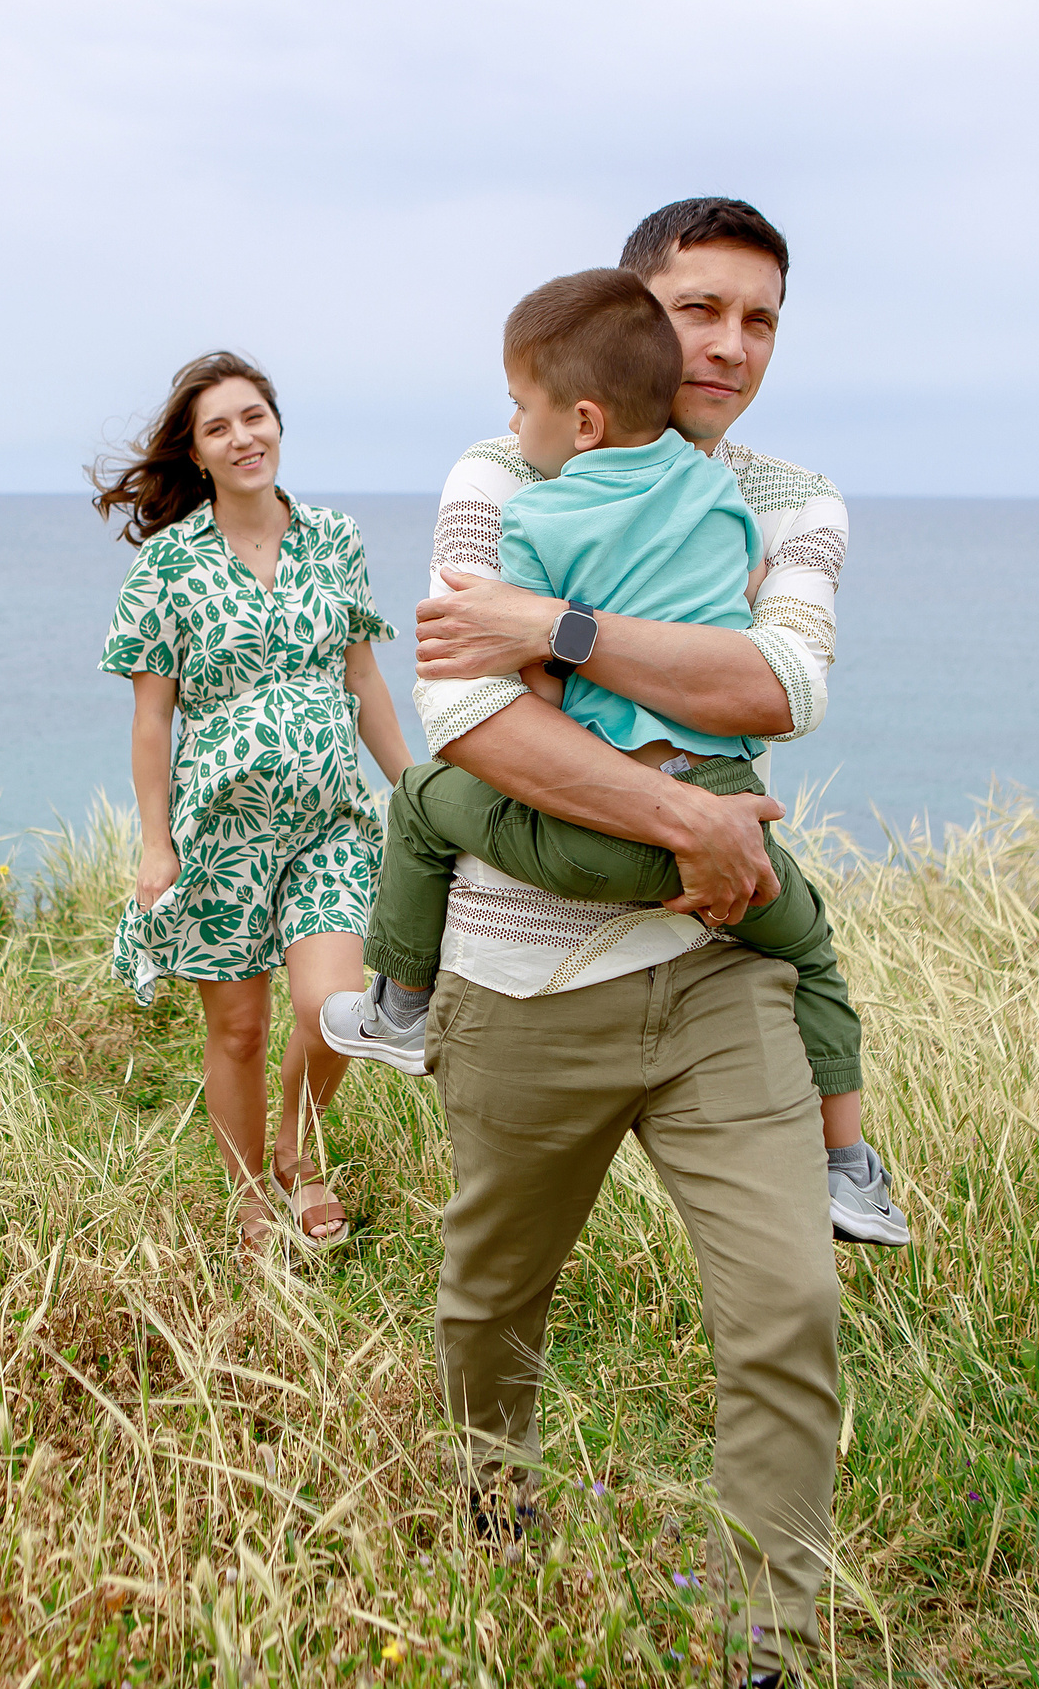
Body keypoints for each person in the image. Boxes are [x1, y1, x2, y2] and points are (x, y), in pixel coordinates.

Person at [396, 199, 852, 1684]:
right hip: (523, 979)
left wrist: (562, 629)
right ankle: (491, 1515)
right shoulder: (505, 461)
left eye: (760, 317)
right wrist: (692, 819)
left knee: (787, 1308)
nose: (727, 344)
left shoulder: (796, 499)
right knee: (490, 1300)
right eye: (698, 308)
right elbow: (467, 715)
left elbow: (778, 686)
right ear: (632, 319)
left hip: (719, 978)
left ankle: (767, 1649)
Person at [319, 267, 907, 1248]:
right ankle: (849, 1167)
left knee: (421, 797)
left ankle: (400, 1003)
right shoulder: (724, 496)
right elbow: (755, 637)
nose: (513, 429)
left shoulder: (537, 516)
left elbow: (511, 693)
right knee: (810, 951)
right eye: (700, 314)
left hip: (595, 828)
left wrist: (551, 649)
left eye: (522, 407)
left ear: (582, 421)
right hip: (725, 808)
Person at [93, 351, 415, 1259]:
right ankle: (247, 1195)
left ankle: (297, 1153)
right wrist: (156, 846)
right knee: (238, 1029)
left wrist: (415, 789)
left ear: (278, 423)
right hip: (220, 830)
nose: (243, 437)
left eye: (254, 416)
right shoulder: (167, 565)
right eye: (219, 427)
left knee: (337, 1006)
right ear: (196, 454)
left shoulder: (334, 540)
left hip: (329, 824)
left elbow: (364, 678)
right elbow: (151, 719)